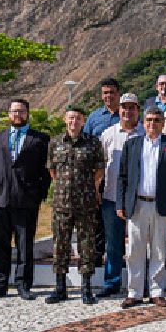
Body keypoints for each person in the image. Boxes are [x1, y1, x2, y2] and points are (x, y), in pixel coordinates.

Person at [116, 106, 166, 308]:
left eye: (156, 120)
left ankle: (156, 291)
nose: (152, 124)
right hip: (137, 204)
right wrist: (121, 203)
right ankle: (134, 292)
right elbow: (122, 177)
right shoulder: (132, 145)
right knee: (135, 250)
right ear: (142, 122)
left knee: (159, 250)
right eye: (148, 120)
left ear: (162, 123)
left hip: (162, 205)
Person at [0, 99, 52, 301]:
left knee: (25, 245)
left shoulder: (39, 139)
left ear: (27, 113)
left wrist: (38, 195)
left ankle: (23, 285)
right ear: (8, 113)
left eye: (21, 111)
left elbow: (45, 172)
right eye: (14, 111)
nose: (17, 114)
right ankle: (0, 285)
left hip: (26, 202)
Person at [45, 106, 105, 305]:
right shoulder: (55, 143)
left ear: (83, 121)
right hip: (62, 203)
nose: (74, 122)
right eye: (71, 118)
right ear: (65, 120)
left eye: (78, 118)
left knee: (86, 245)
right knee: (60, 245)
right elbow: (52, 171)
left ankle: (86, 288)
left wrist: (90, 188)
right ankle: (60, 287)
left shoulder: (93, 143)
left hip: (86, 203)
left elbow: (99, 170)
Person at [97, 94, 143, 297]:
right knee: (113, 243)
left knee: (139, 243)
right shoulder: (108, 135)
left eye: (132, 107)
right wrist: (96, 190)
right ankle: (112, 281)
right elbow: (99, 167)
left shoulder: (145, 133)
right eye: (124, 107)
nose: (127, 111)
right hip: (111, 197)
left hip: (139, 198)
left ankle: (139, 282)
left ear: (137, 110)